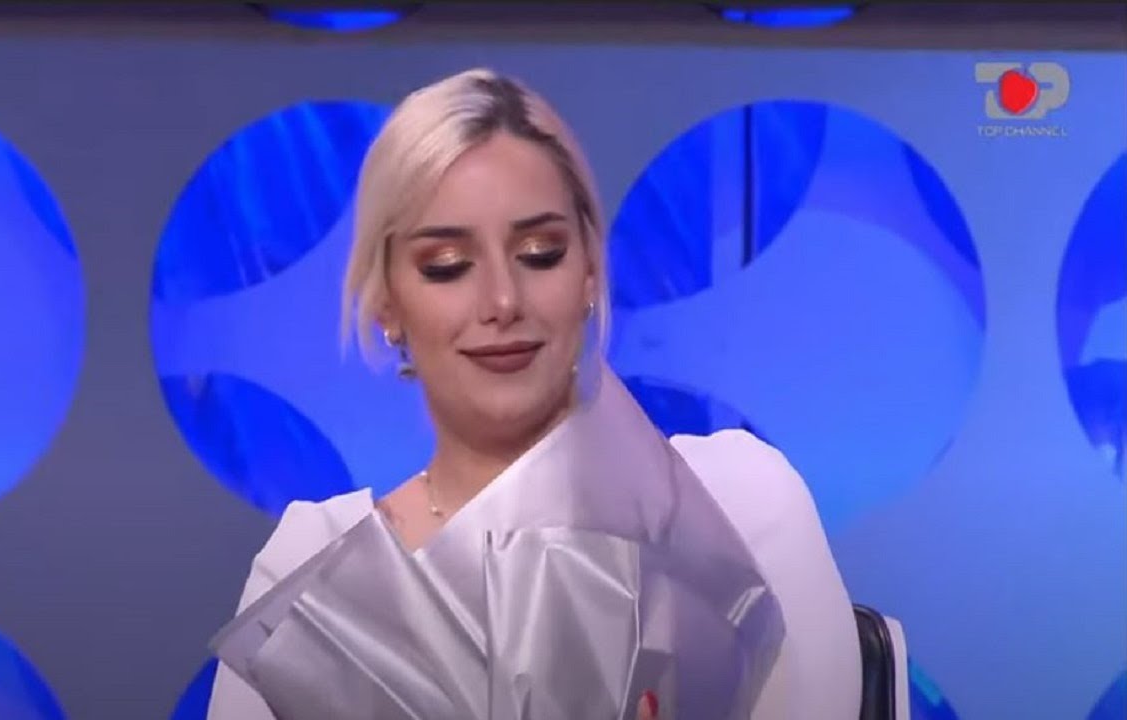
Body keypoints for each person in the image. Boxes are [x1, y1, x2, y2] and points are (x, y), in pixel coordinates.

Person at [206, 68, 861, 719]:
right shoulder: (313, 571)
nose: (502, 300)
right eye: (447, 266)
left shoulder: (738, 499)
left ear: (589, 271)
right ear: (387, 304)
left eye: (541, 252)